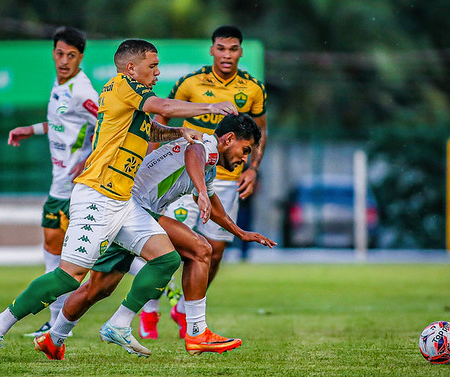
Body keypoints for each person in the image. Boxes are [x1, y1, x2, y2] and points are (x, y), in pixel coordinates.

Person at [0, 39, 238, 364]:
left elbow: (152, 130)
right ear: (132, 68)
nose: (157, 72)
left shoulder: (132, 100)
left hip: (122, 201)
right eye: (152, 66)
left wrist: (179, 133)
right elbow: (165, 108)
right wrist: (210, 108)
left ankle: (118, 324)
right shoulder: (123, 86)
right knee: (69, 278)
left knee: (166, 259)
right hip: (96, 196)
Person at [34, 114, 275, 359]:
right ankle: (196, 332)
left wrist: (240, 232)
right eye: (245, 150)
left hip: (126, 210)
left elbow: (213, 204)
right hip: (133, 208)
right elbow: (194, 153)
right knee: (200, 250)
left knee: (98, 289)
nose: (244, 159)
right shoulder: (205, 147)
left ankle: (54, 338)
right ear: (229, 139)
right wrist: (200, 191)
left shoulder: (209, 165)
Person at [152, 25, 268, 337]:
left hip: (225, 180)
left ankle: (185, 310)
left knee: (213, 251)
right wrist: (151, 154)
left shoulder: (253, 88)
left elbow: (261, 131)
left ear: (241, 51)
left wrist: (252, 168)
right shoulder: (190, 82)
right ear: (212, 50)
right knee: (172, 245)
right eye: (221, 48)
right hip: (187, 181)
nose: (227, 54)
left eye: (233, 49)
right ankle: (147, 311)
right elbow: (161, 116)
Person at [6, 27, 99, 338]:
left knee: (68, 256)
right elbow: (61, 123)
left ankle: (59, 322)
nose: (64, 60)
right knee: (52, 246)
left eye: (71, 56)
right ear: (53, 53)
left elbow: (108, 125)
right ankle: (56, 321)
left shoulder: (83, 91)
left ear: (80, 58)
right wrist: (28, 130)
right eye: (59, 54)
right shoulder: (59, 85)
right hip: (58, 184)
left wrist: (88, 160)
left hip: (76, 188)